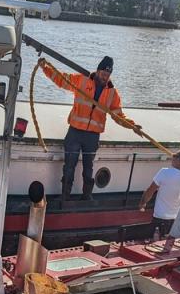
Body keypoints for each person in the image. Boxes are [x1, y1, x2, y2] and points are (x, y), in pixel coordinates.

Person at [39, 55, 136, 202]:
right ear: (97, 71)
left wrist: (132, 125)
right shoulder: (81, 80)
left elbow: (118, 115)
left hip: (92, 136)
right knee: (69, 165)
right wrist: (45, 68)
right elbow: (61, 79)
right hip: (75, 131)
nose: (104, 77)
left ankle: (86, 196)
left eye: (107, 75)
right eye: (103, 73)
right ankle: (65, 196)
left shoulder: (112, 93)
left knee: (88, 168)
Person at [138, 150, 180, 236]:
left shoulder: (164, 172)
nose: (172, 159)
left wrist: (142, 203)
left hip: (160, 216)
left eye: (174, 157)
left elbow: (151, 190)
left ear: (178, 160)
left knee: (154, 243)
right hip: (176, 219)